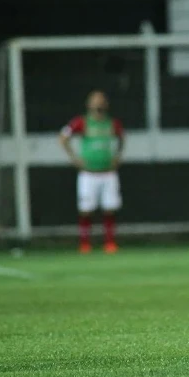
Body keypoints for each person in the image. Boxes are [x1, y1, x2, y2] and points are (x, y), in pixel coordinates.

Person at [60, 90, 125, 254]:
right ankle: (85, 244)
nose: (98, 104)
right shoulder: (81, 122)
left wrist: (117, 156)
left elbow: (122, 138)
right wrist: (74, 158)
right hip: (89, 172)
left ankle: (110, 243)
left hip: (108, 172)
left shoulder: (112, 123)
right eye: (95, 101)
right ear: (89, 104)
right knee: (86, 209)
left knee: (110, 207)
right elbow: (63, 136)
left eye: (101, 101)